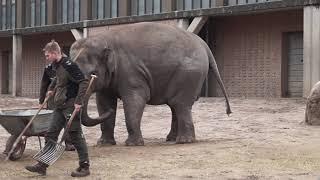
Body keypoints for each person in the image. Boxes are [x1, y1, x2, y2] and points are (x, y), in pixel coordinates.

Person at [25, 40, 90, 177]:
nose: (46, 58)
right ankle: (43, 165)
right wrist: (51, 89)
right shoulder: (57, 64)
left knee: (75, 135)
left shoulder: (69, 65)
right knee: (50, 134)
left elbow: (84, 81)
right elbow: (57, 79)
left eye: (48, 55)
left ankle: (84, 167)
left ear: (55, 53)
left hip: (71, 105)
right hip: (59, 105)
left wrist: (78, 102)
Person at [39, 58, 76, 151]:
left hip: (66, 98)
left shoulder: (68, 68)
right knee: (53, 123)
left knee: (67, 121)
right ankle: (50, 145)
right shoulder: (48, 69)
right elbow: (44, 85)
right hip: (52, 100)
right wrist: (41, 101)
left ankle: (69, 143)